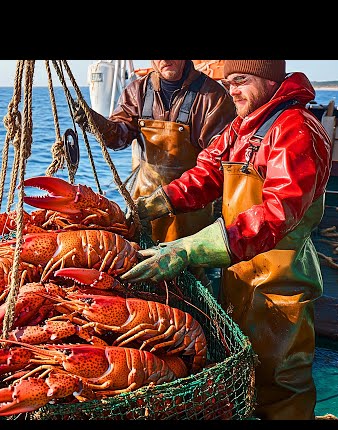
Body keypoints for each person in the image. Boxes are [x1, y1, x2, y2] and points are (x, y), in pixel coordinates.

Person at [120, 60, 333, 420]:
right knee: (245, 370)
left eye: (241, 80)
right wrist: (153, 204)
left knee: (280, 379)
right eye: (228, 81)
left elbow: (277, 213)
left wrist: (190, 247)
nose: (232, 90)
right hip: (240, 271)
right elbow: (205, 174)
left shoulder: (295, 129)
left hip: (281, 283)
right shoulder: (241, 128)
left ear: (269, 79)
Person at [74, 60, 236, 286]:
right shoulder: (137, 91)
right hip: (144, 205)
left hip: (192, 212)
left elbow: (217, 164)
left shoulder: (213, 97)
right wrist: (98, 124)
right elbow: (119, 136)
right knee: (141, 270)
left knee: (191, 278)